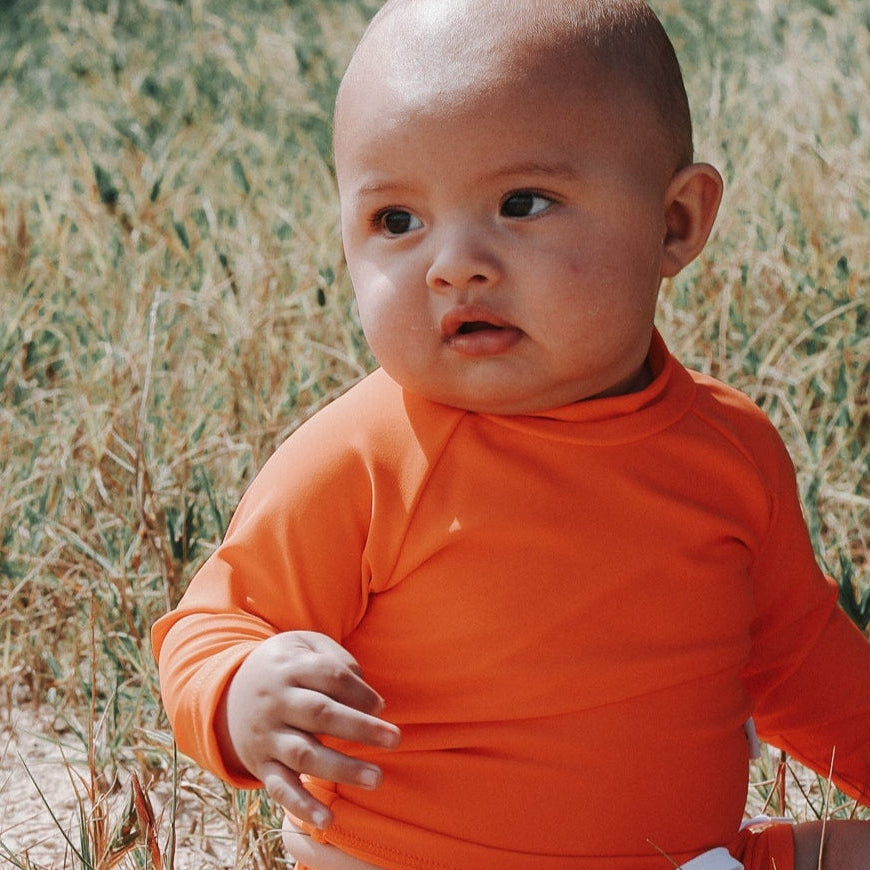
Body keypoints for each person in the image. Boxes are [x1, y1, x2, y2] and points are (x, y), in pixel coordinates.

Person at [151, 1, 870, 868]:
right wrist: (237, 695)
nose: (454, 263)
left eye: (522, 203)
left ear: (675, 223)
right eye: (396, 222)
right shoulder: (366, 457)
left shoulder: (729, 453)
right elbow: (217, 619)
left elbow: (804, 667)